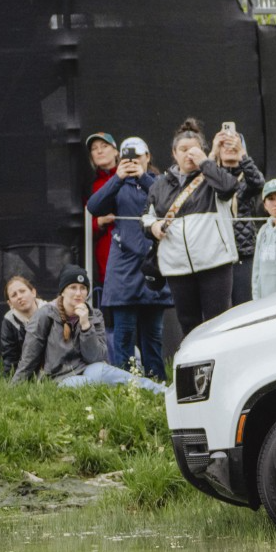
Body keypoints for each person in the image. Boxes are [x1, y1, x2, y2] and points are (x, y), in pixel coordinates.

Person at [86, 136, 172, 376]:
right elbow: (94, 206)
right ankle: (123, 384)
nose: (132, 162)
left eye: (137, 157)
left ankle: (156, 383)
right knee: (123, 333)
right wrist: (118, 177)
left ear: (147, 157)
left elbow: (166, 202)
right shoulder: (116, 184)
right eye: (127, 158)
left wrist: (142, 177)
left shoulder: (159, 181)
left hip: (153, 264)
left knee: (152, 334)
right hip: (123, 268)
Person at [147, 120, 242, 334]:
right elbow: (146, 217)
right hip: (177, 266)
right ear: (174, 153)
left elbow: (229, 187)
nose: (189, 154)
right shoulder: (160, 185)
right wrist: (153, 226)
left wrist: (206, 164)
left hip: (215, 263)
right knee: (188, 325)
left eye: (194, 150)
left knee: (218, 324)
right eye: (183, 150)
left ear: (203, 151)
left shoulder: (212, 176)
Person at [13, 266, 166, 392]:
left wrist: (86, 326)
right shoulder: (45, 314)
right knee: (87, 383)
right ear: (63, 291)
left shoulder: (95, 315)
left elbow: (96, 357)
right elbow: (29, 355)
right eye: (73, 287)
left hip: (88, 367)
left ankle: (161, 391)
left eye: (83, 288)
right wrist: (14, 389)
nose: (79, 293)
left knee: (105, 373)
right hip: (58, 376)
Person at [212, 127, 265, 305]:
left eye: (234, 144)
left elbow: (258, 183)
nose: (229, 147)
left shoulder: (247, 177)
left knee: (244, 305)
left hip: (243, 252)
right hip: (215, 253)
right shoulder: (210, 177)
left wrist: (242, 154)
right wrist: (212, 153)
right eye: (224, 144)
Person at [85, 131, 118, 289]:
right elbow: (85, 226)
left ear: (116, 151)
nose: (99, 151)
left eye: (104, 146)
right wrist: (99, 222)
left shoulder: (133, 178)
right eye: (94, 148)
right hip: (107, 257)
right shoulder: (91, 186)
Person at [0, 275, 41, 378]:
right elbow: (10, 355)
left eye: (22, 291)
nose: (19, 297)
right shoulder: (9, 321)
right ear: (10, 303)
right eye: (14, 295)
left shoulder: (50, 312)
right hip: (26, 371)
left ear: (33, 292)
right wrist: (10, 379)